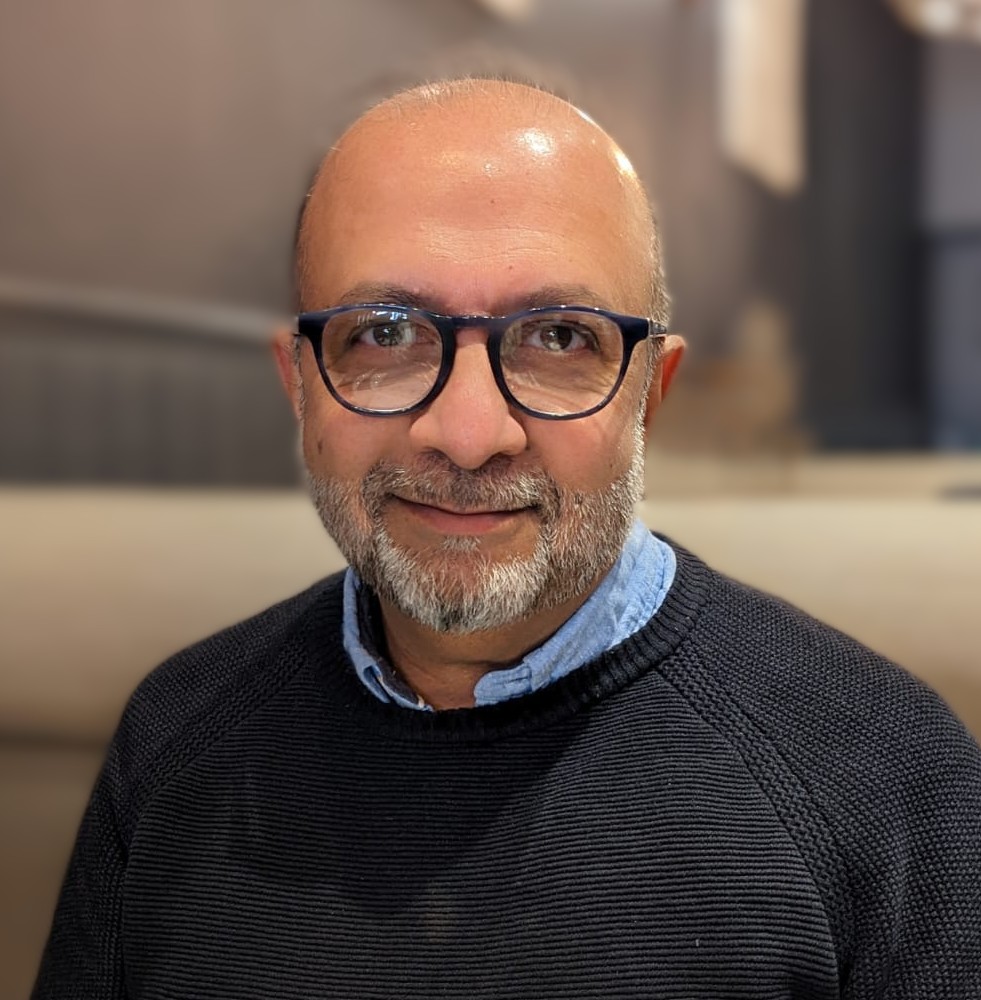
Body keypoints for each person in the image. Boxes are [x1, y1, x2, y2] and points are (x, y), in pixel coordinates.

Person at [33, 77, 981, 1000]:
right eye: (387, 331)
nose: (470, 431)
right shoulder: (174, 741)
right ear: (300, 383)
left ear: (652, 392)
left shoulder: (886, 776)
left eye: (559, 338)